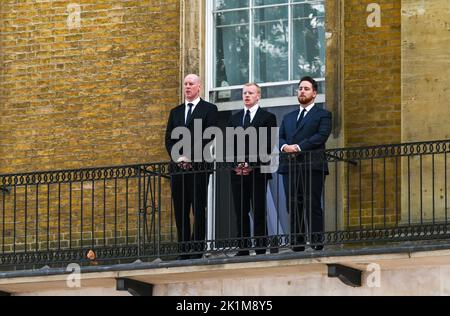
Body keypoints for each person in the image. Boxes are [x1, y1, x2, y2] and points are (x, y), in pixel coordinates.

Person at [165, 74, 218, 260]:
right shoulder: (175, 112)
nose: (187, 87)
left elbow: (210, 136)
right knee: (181, 211)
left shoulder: (209, 109)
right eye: (185, 84)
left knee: (198, 209)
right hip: (178, 170)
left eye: (191, 84)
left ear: (199, 87)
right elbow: (169, 139)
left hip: (199, 168)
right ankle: (183, 250)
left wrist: (192, 157)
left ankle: (197, 250)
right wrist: (179, 157)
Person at [279, 76, 332, 252]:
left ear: (314, 93)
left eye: (306, 88)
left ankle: (317, 242)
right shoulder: (288, 117)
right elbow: (280, 137)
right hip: (290, 167)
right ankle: (297, 244)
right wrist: (285, 146)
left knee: (312, 204)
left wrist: (299, 147)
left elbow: (321, 136)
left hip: (312, 166)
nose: (302, 91)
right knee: (294, 205)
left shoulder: (323, 114)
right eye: (300, 88)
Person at [227, 83, 277, 256]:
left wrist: (250, 163)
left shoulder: (267, 117)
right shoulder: (234, 119)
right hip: (237, 173)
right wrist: (236, 164)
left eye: (250, 93)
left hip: (257, 172)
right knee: (240, 211)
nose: (247, 95)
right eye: (244, 93)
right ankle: (243, 248)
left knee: (259, 210)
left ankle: (261, 247)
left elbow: (268, 145)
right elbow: (228, 146)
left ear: (258, 96)